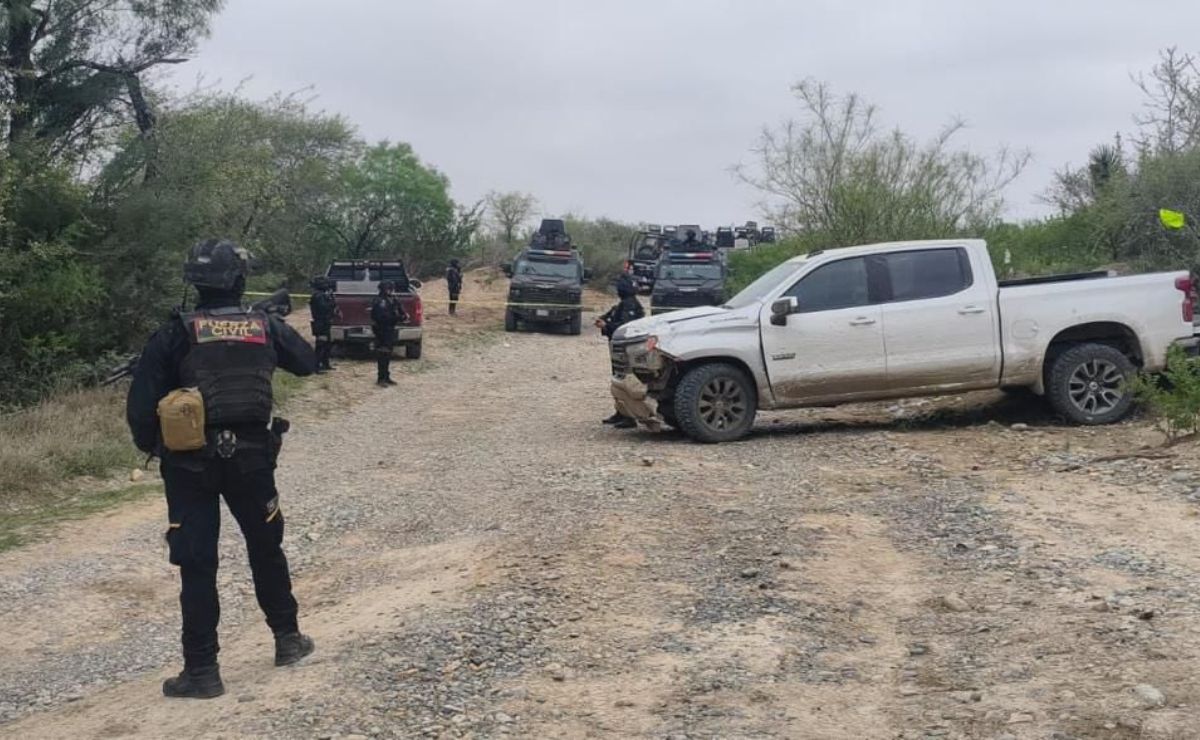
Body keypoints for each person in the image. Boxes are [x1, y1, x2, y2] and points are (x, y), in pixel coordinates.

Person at [125, 239, 317, 700]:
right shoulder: (264, 326)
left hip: (189, 464)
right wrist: (269, 326)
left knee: (197, 563)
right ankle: (288, 640)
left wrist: (162, 449)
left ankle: (202, 672)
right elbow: (307, 363)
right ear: (239, 279)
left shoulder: (174, 332)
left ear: (193, 281)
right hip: (252, 458)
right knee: (266, 548)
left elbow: (140, 410)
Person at [596, 279, 645, 429]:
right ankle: (621, 412)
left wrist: (607, 325)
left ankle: (629, 417)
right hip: (620, 348)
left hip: (627, 349)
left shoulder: (630, 304)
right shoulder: (624, 304)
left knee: (625, 381)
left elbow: (625, 327)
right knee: (618, 381)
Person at [371, 280, 406, 387]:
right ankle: (381, 378)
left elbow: (400, 310)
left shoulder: (392, 299)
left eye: (391, 289)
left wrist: (403, 315)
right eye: (388, 289)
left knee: (388, 354)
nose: (390, 291)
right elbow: (383, 317)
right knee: (383, 353)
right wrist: (398, 318)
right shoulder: (380, 301)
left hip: (389, 329)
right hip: (382, 329)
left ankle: (386, 376)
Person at [309, 276, 339, 372]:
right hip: (320, 322)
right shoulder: (318, 296)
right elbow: (324, 308)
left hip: (325, 322)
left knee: (327, 344)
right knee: (321, 344)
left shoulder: (322, 295)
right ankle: (316, 366)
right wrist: (332, 302)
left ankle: (325, 364)